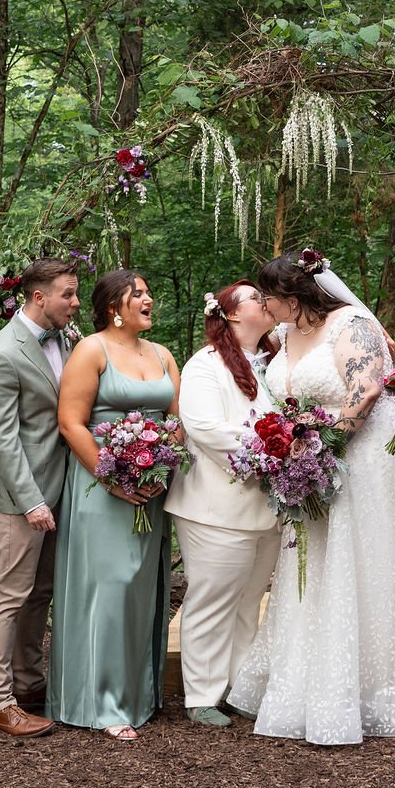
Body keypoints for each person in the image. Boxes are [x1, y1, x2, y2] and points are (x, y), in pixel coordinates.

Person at [229, 250, 395, 744]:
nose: (264, 305)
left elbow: (367, 390)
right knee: (315, 563)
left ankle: (379, 690)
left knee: (362, 561)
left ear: (292, 296)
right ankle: (309, 684)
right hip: (312, 456)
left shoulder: (352, 323)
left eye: (268, 297)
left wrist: (323, 446)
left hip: (363, 455)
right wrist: (292, 448)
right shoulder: (286, 333)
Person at [49, 270, 180, 739]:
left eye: (148, 292)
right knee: (109, 587)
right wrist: (113, 478)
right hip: (100, 488)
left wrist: (162, 466)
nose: (148, 299)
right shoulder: (91, 350)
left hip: (151, 488)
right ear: (113, 307)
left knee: (140, 589)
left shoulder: (163, 354)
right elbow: (71, 423)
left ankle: (137, 694)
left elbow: (175, 422)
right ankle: (101, 702)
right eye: (137, 294)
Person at [168, 281, 284, 726]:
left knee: (249, 600)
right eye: (255, 298)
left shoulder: (272, 363)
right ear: (231, 313)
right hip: (215, 506)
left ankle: (240, 686)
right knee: (212, 599)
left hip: (264, 507)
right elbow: (204, 427)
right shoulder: (205, 364)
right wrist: (273, 449)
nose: (265, 302)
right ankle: (201, 695)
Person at [0, 258, 80, 739]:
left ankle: (29, 681)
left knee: (41, 592)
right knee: (9, 594)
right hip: (24, 497)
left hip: (64, 486)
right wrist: (30, 500)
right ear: (39, 297)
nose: (75, 302)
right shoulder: (3, 352)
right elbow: (2, 438)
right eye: (67, 294)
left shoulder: (66, 338)